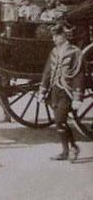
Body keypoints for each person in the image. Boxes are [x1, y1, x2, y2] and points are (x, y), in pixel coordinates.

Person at [37, 23, 85, 161]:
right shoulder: (54, 51)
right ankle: (70, 149)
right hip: (54, 91)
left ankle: (70, 149)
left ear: (64, 36)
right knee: (60, 122)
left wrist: (77, 97)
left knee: (59, 120)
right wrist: (43, 90)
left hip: (67, 91)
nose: (54, 39)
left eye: (56, 36)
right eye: (53, 36)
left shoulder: (75, 52)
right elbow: (47, 72)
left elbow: (78, 75)